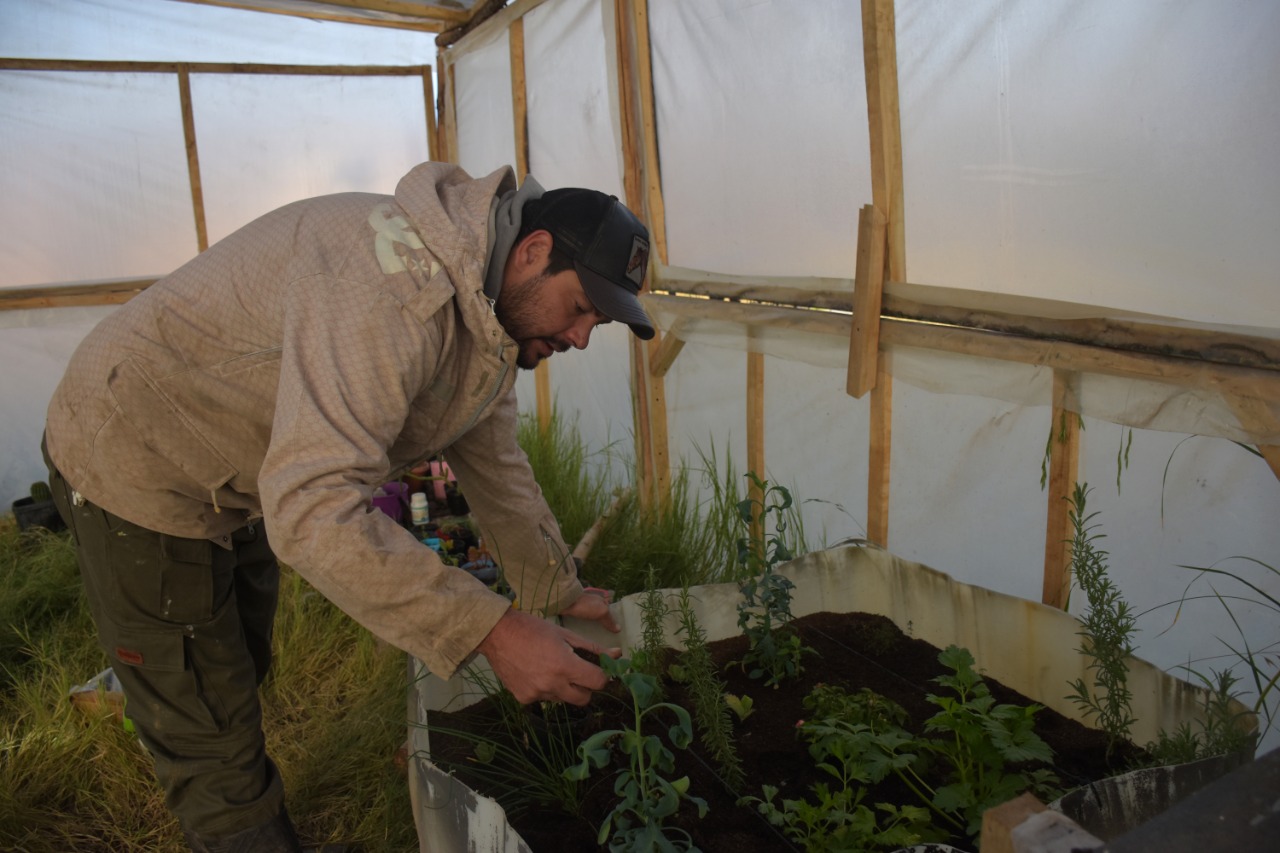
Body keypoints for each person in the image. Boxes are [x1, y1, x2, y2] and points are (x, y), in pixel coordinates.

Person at [41, 161, 656, 853]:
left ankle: (153, 693)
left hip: (238, 464)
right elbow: (312, 511)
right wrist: (495, 631)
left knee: (235, 661)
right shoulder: (394, 291)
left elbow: (499, 467)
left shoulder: (482, 313)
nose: (580, 337)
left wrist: (556, 589)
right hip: (135, 451)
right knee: (211, 730)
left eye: (596, 322)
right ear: (533, 252)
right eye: (579, 308)